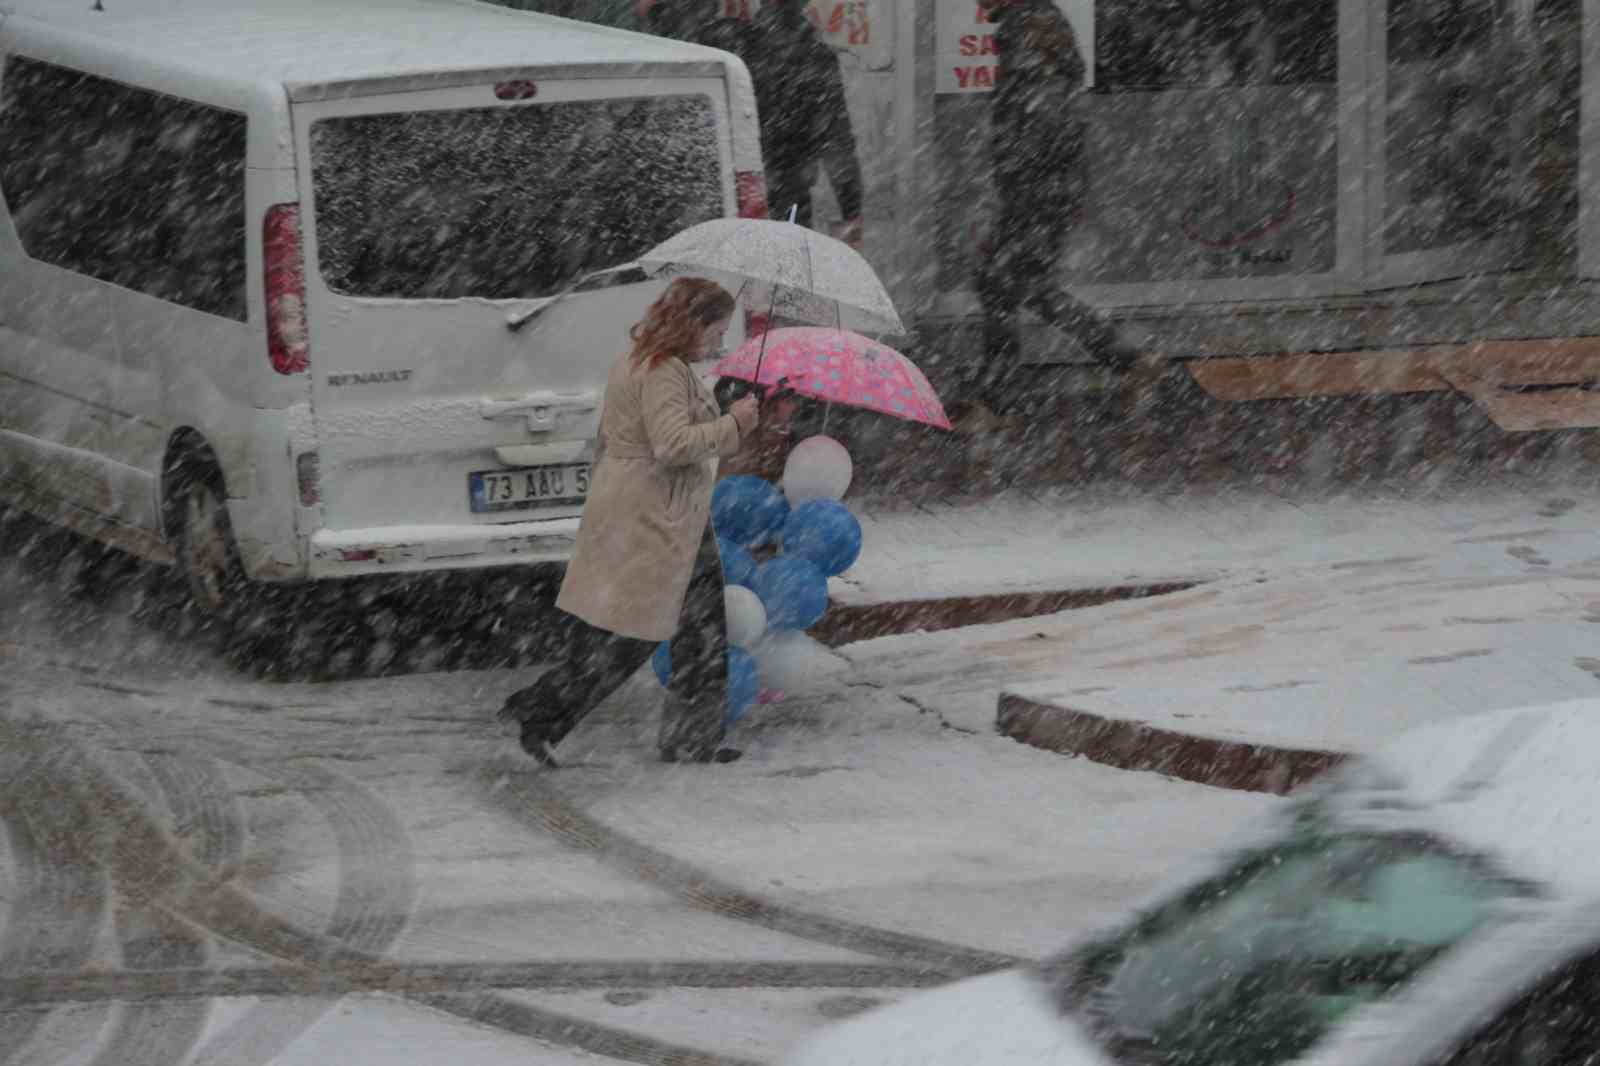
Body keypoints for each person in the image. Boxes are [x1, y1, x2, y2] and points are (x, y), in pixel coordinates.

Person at [499, 278, 761, 766]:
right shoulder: (663, 371)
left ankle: (555, 712)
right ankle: (545, 709)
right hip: (660, 516)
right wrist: (734, 425)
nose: (719, 343)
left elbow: (628, 436)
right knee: (651, 630)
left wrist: (718, 411)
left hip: (650, 510)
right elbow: (671, 445)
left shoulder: (639, 359)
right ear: (692, 324)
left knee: (679, 627)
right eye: (716, 332)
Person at [972, 0, 1140, 415]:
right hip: (1045, 187)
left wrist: (1015, 170)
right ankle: (1121, 358)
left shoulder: (1023, 24)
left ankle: (1000, 385)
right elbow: (1048, 108)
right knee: (1010, 281)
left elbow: (1037, 113)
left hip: (1035, 189)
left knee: (1007, 280)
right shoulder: (1035, 19)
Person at [636, 0, 864, 247]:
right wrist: (850, 212)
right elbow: (838, 145)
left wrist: (659, 10)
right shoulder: (816, 56)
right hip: (788, 200)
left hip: (730, 194)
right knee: (786, 259)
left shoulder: (733, 39)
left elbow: (681, 35)